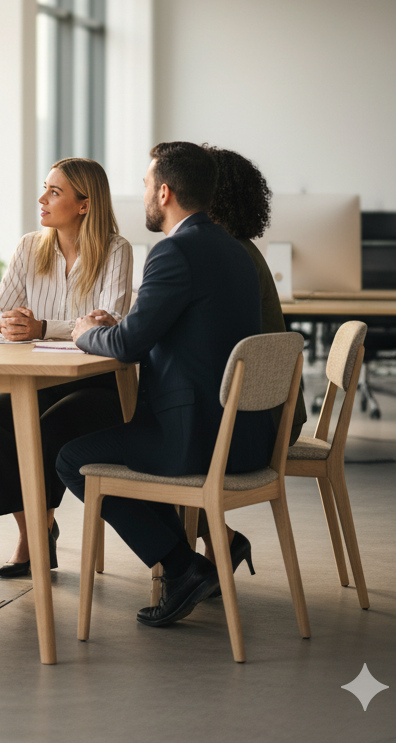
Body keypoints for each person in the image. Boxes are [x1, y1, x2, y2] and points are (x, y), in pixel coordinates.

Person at [56, 141, 273, 629]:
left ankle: (182, 568)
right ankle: (193, 562)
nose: (146, 196)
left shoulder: (174, 250)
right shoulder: (232, 250)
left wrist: (87, 334)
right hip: (242, 437)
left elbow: (131, 345)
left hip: (194, 439)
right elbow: (180, 328)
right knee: (115, 437)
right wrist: (118, 326)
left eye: (147, 186)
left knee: (72, 459)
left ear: (167, 191)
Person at [0, 158, 132, 577]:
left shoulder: (116, 250)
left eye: (54, 192)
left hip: (99, 384)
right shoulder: (29, 247)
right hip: (40, 381)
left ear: (84, 205)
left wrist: (41, 327)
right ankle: (36, 532)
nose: (42, 198)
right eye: (45, 188)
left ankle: (34, 541)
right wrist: (6, 325)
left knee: (45, 427)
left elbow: (109, 321)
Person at [197, 145, 307, 569]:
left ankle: (185, 562)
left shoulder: (226, 257)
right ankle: (218, 541)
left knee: (144, 445)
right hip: (271, 411)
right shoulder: (240, 249)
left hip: (259, 421)